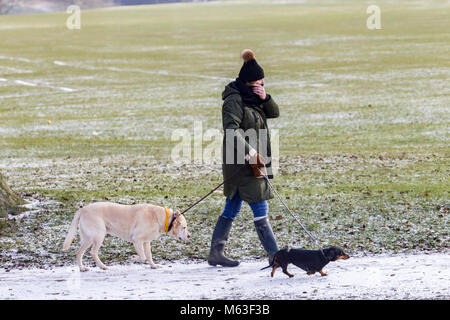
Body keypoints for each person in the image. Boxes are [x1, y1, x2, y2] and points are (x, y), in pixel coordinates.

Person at [208, 49, 280, 267]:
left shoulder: (254, 99)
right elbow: (231, 130)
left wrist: (265, 98)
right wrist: (250, 153)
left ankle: (216, 253)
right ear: (249, 82)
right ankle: (276, 257)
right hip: (241, 163)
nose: (262, 84)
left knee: (232, 206)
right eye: (259, 82)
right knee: (260, 206)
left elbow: (274, 113)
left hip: (254, 162)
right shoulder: (234, 101)